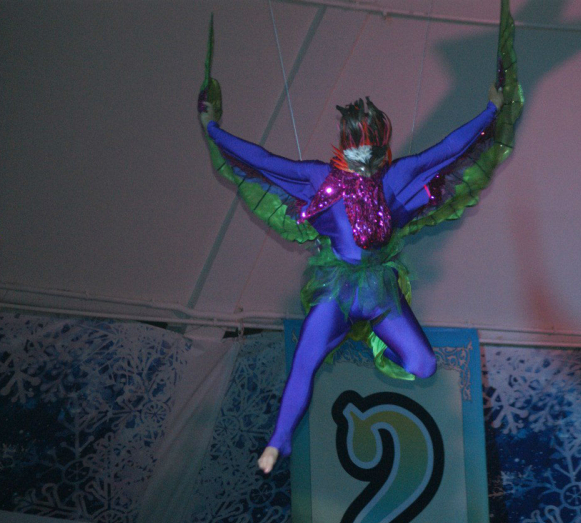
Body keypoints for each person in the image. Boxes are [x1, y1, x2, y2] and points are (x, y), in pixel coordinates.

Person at [199, 85, 503, 473]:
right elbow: (263, 161)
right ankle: (279, 439)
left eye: (373, 147)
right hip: (336, 292)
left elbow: (448, 149)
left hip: (379, 294)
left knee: (424, 365)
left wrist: (491, 110)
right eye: (359, 146)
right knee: (305, 361)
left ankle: (379, 346)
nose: (366, 155)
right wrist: (213, 129)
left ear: (382, 146)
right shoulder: (319, 177)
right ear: (345, 144)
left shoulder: (394, 178)